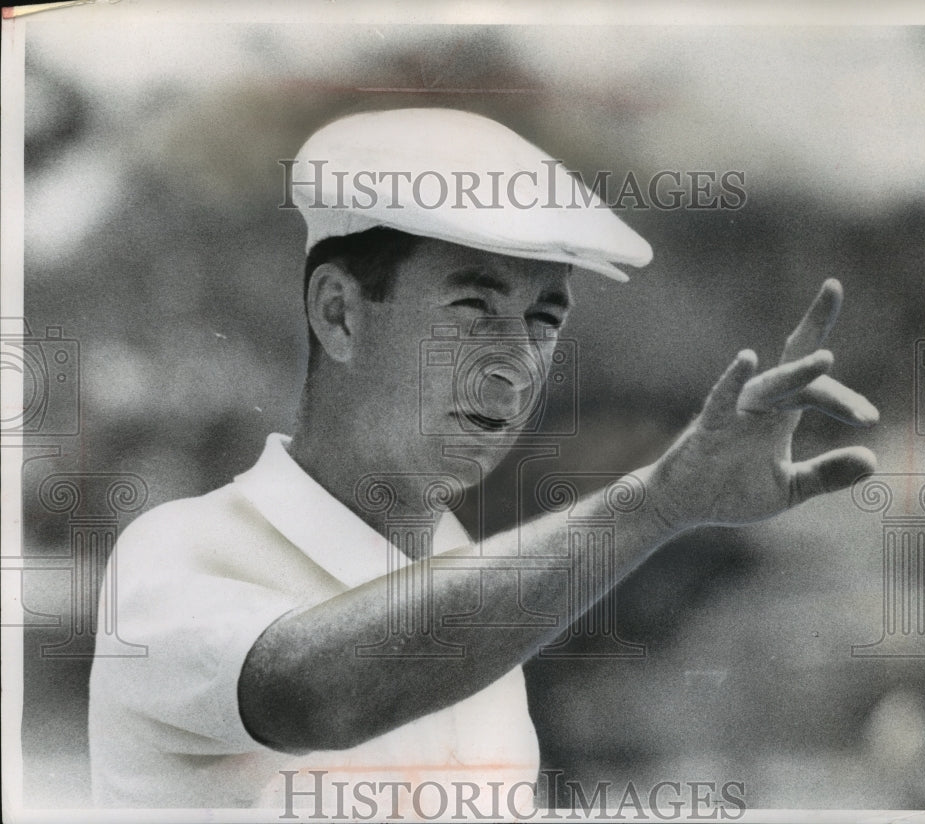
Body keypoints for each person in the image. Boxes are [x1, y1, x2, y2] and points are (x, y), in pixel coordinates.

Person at [88, 108, 878, 815]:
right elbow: (312, 696)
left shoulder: (488, 618)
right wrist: (655, 504)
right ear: (339, 314)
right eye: (472, 308)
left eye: (542, 320)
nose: (516, 365)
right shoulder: (177, 553)